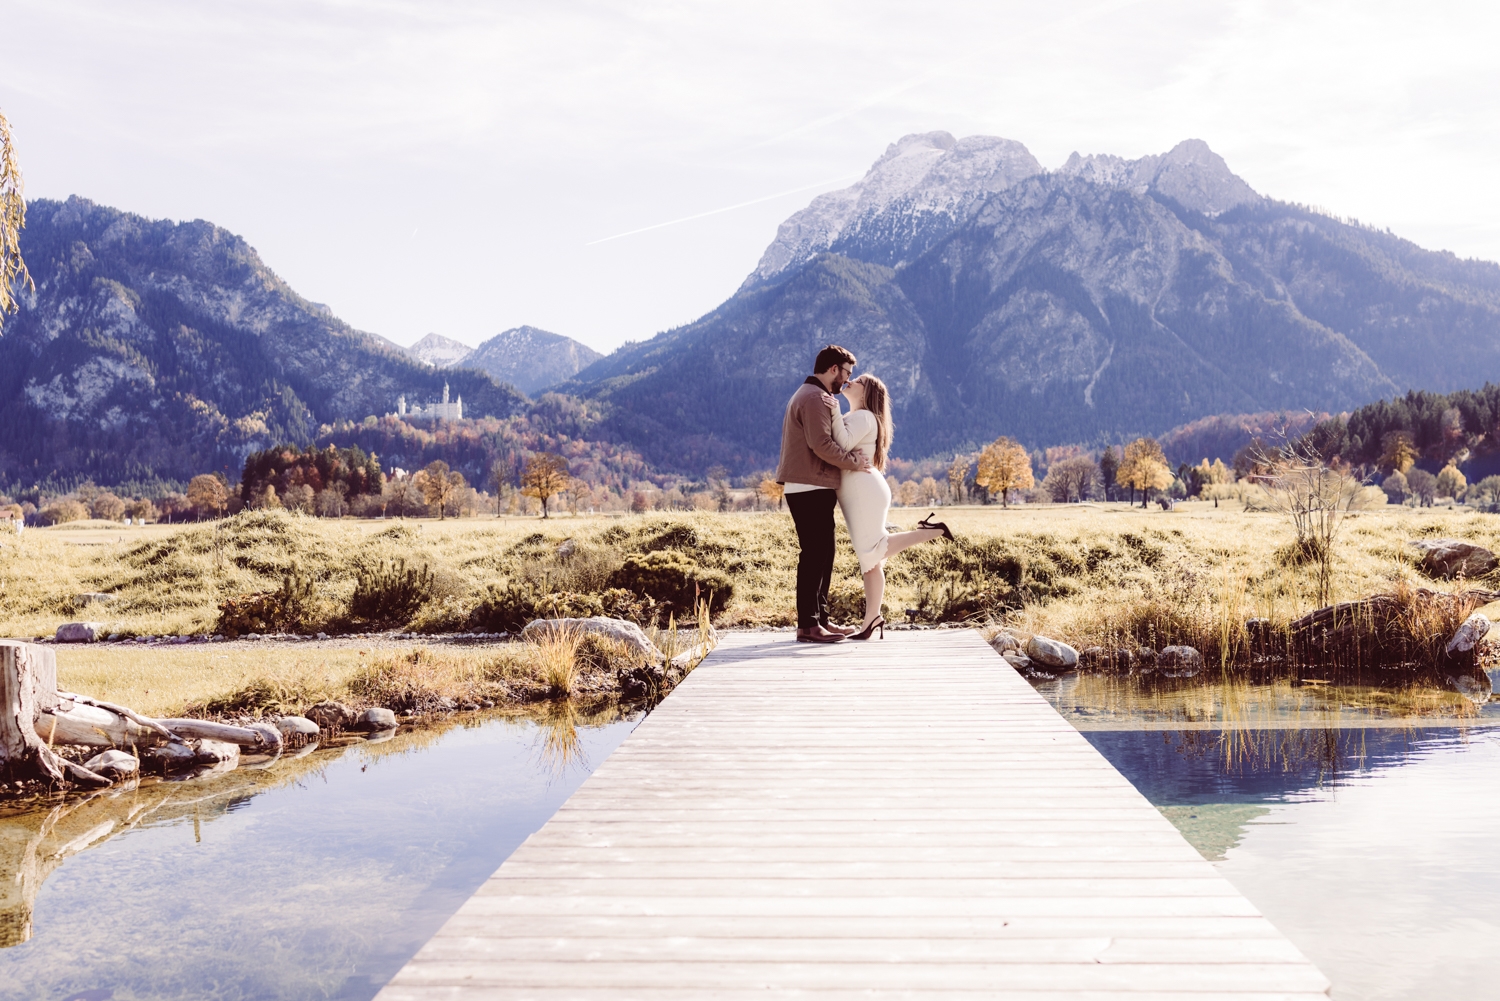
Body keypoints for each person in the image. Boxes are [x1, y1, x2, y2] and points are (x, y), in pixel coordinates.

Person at [832, 373, 951, 640]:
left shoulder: (861, 417)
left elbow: (838, 443)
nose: (851, 380)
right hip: (864, 490)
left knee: (871, 551)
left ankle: (932, 532)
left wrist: (829, 408)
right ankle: (871, 619)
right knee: (870, 562)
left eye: (858, 380)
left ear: (865, 394)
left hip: (863, 491)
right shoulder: (862, 417)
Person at [775, 345, 870, 643]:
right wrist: (855, 462)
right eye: (846, 373)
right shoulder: (816, 398)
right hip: (809, 486)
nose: (846, 380)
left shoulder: (812, 395)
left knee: (822, 554)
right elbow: (821, 445)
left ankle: (820, 620)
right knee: (815, 555)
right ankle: (809, 624)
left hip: (812, 485)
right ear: (833, 369)